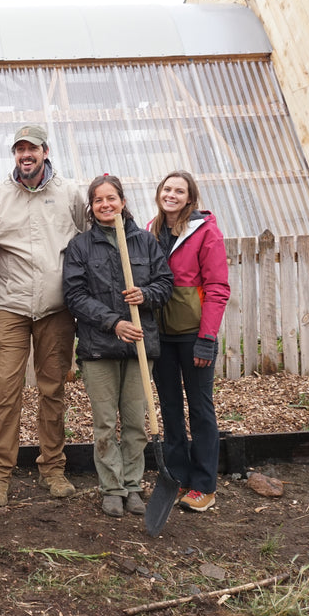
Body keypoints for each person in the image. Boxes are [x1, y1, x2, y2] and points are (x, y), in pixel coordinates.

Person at [0, 124, 89, 508]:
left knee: (53, 390)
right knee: (5, 392)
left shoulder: (70, 194)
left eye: (32, 148)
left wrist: (88, 305)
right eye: (19, 149)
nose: (26, 155)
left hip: (57, 310)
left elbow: (90, 246)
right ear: (14, 155)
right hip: (10, 308)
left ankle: (52, 468)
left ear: (45, 151)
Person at [63, 174, 173, 517]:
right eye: (98, 200)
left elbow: (165, 284)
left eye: (111, 198)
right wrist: (114, 322)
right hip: (99, 347)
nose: (105, 205)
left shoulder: (144, 242)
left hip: (140, 346)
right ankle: (111, 487)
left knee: (136, 421)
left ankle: (134, 486)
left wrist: (146, 294)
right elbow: (74, 295)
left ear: (123, 202)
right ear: (91, 207)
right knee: (105, 423)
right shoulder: (81, 246)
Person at [148, 171, 230, 512]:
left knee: (200, 408)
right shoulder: (153, 229)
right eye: (167, 189)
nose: (172, 195)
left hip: (193, 334)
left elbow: (217, 288)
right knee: (169, 408)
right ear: (159, 194)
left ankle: (204, 484)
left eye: (179, 191)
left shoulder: (205, 232)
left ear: (190, 198)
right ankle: (177, 475)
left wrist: (207, 338)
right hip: (161, 336)